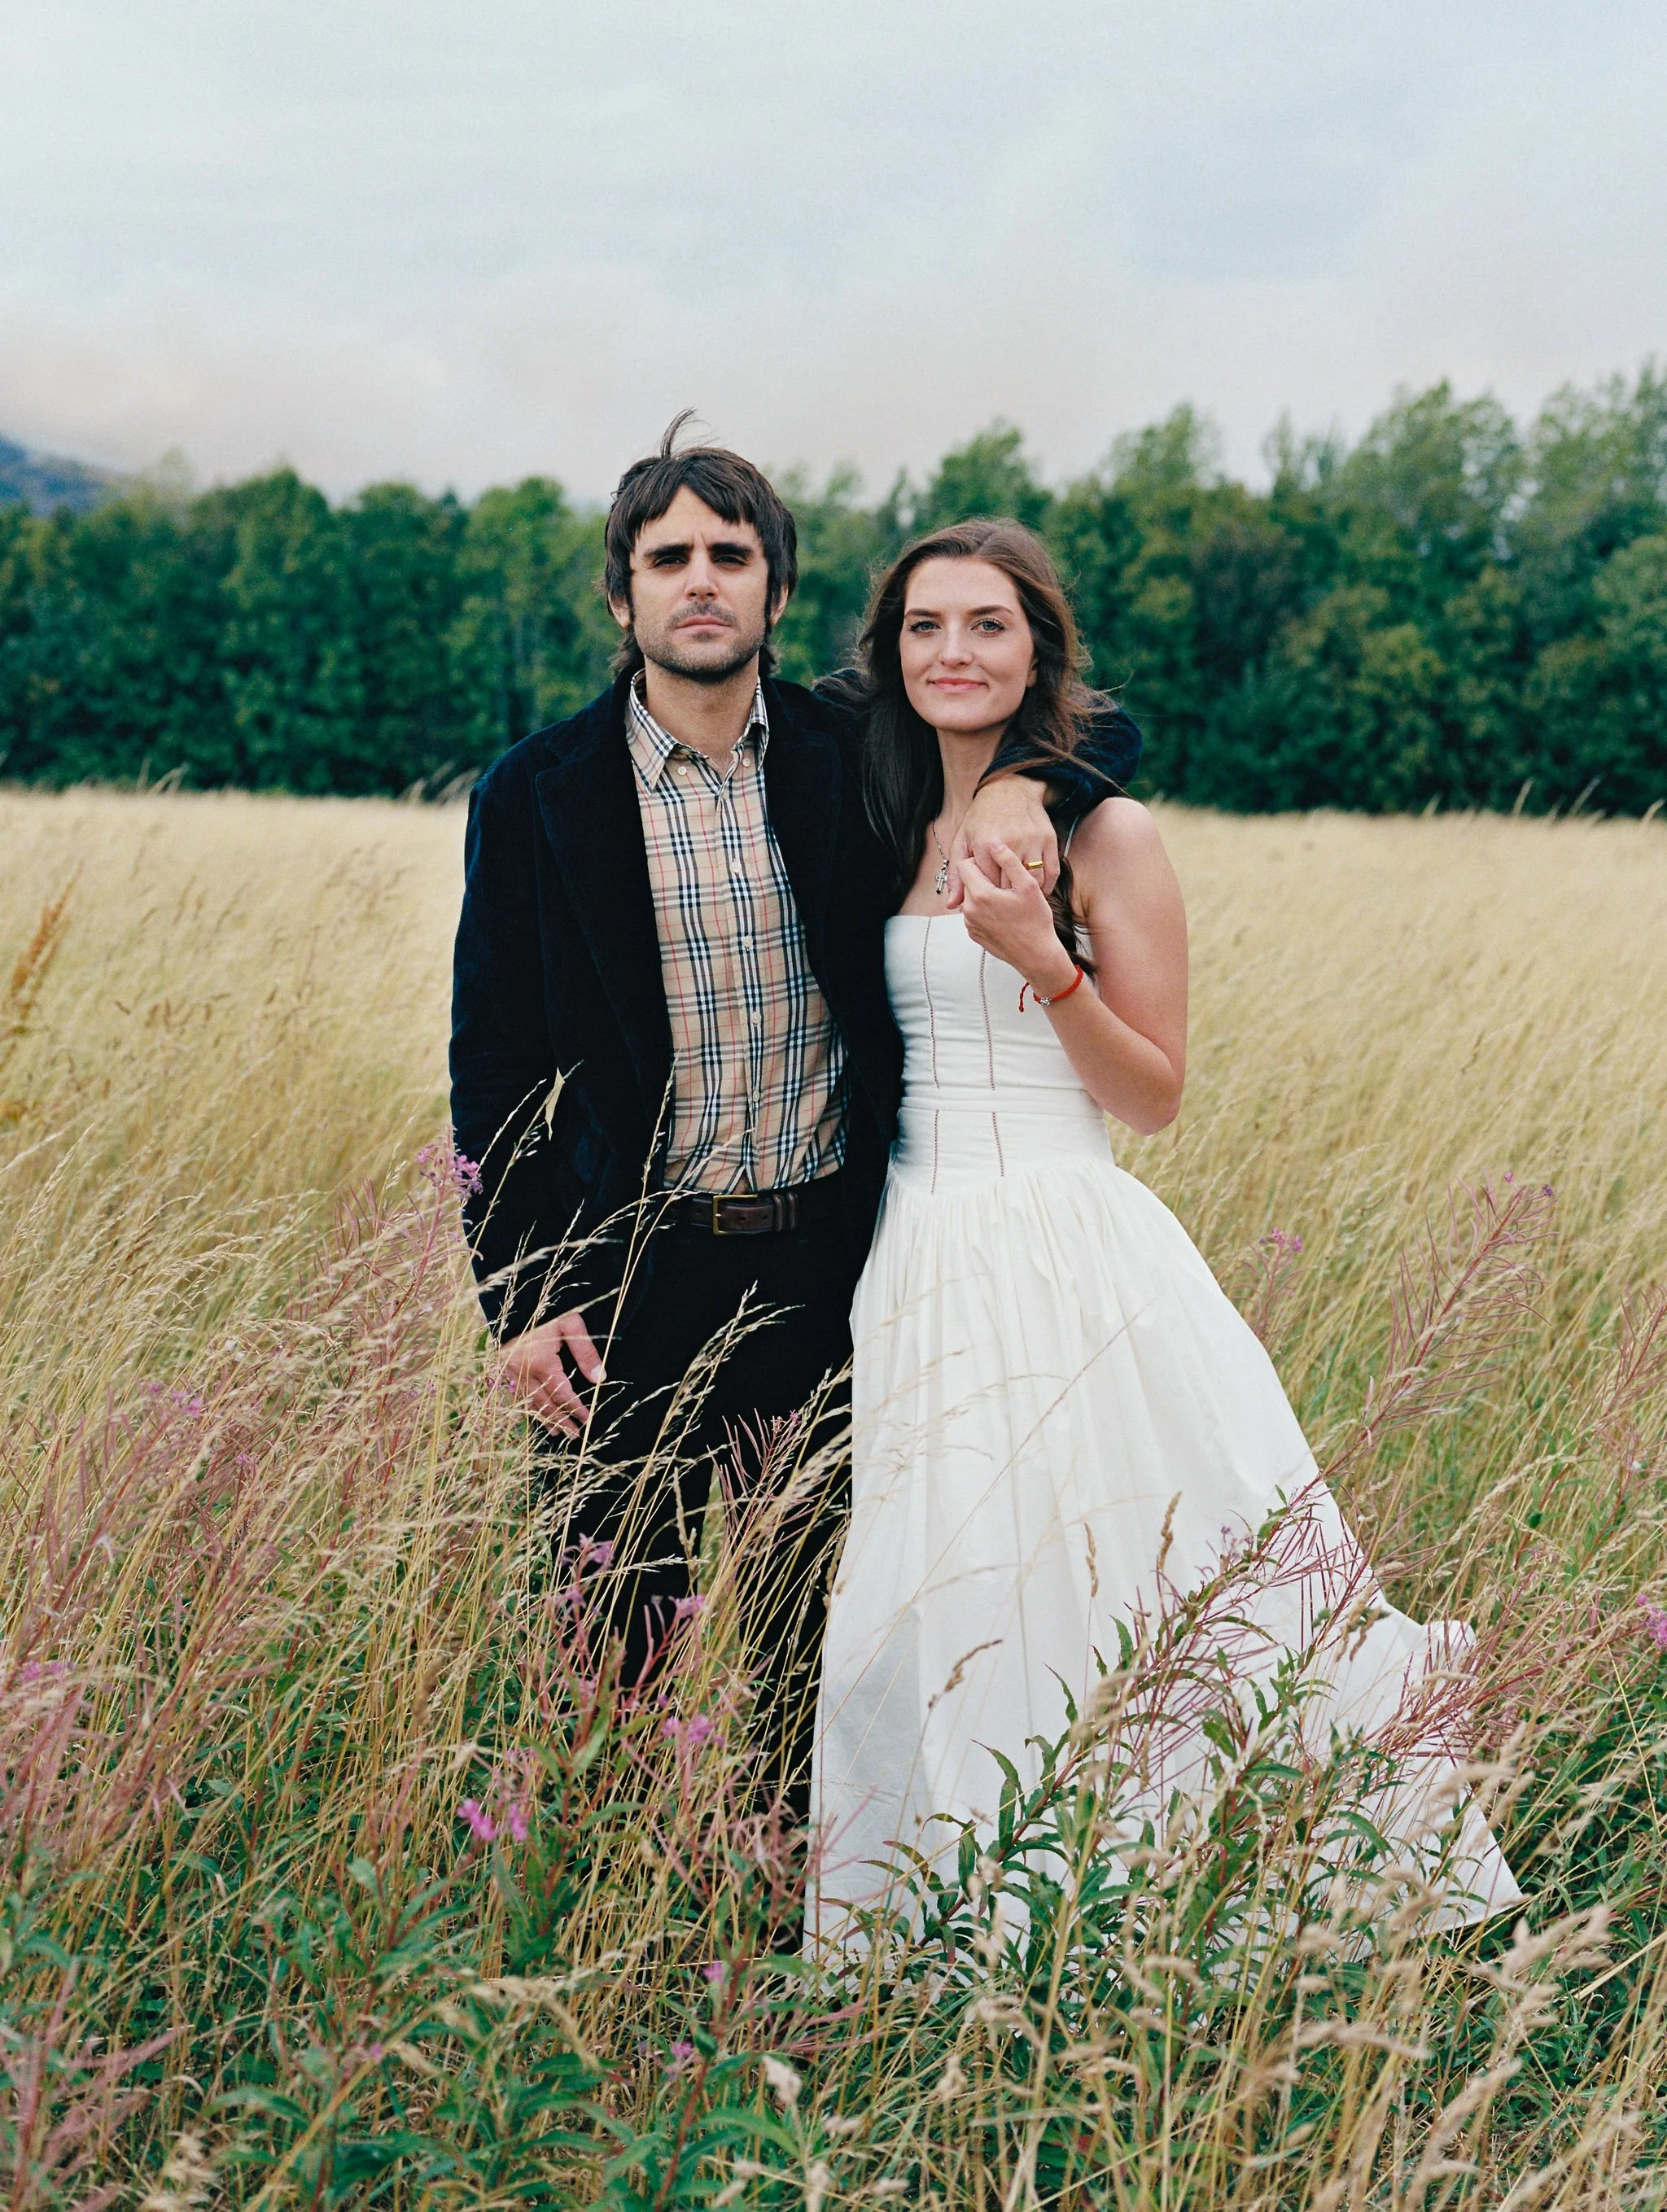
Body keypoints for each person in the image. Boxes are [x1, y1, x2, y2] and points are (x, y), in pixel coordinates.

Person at [809, 518, 1522, 1943]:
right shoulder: (881, 812)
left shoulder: (1107, 832)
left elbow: (1155, 1094)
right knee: (933, 1600)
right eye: (926, 626)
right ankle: (957, 1927)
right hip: (917, 1249)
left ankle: (1155, 1912)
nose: (955, 652)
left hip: (1063, 1243)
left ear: (1038, 652)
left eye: (990, 626)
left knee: (1133, 1578)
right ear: (890, 651)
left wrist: (1045, 962)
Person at [448, 422, 1141, 1825]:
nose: (701, 580)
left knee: (815, 1638)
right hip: (623, 1280)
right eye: (669, 558)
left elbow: (1084, 722)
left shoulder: (849, 751)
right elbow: (495, 1066)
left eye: (731, 553)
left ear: (777, 588)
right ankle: (618, 1903)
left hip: (826, 1272)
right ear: (622, 594)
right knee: (610, 1642)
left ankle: (785, 1901)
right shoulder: (535, 792)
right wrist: (520, 1299)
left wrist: (1025, 786)